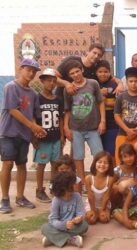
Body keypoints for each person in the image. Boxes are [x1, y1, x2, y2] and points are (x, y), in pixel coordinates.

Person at [0, 58, 46, 214]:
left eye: (34, 71)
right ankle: (5, 199)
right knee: (7, 164)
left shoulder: (33, 94)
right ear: (21, 69)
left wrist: (34, 134)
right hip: (8, 133)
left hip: (24, 135)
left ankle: (20, 197)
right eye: (28, 70)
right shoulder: (10, 87)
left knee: (22, 165)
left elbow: (33, 115)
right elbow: (13, 111)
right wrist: (33, 126)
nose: (31, 73)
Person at [63, 60, 105, 189]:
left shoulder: (93, 84)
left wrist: (103, 121)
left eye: (77, 71)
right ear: (69, 76)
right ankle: (82, 182)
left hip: (93, 128)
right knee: (78, 156)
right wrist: (66, 127)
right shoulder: (68, 89)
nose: (75, 75)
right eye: (72, 73)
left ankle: (97, 179)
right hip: (76, 128)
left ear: (82, 70)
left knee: (99, 154)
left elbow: (100, 102)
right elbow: (68, 110)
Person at [34, 68, 64, 203]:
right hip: (42, 138)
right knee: (41, 164)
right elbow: (33, 118)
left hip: (56, 137)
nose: (51, 84)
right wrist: (34, 136)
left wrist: (62, 136)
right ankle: (39, 190)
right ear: (42, 81)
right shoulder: (37, 98)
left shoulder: (58, 100)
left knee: (55, 164)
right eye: (48, 81)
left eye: (53, 81)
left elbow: (61, 119)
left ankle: (53, 187)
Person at [114, 67, 137, 164]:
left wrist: (136, 130)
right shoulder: (121, 97)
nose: (133, 84)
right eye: (131, 81)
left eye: (136, 81)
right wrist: (128, 130)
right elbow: (117, 116)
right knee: (121, 161)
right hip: (123, 134)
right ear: (126, 82)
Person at [55, 43, 123, 98]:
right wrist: (66, 84)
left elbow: (113, 79)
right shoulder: (71, 60)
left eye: (99, 55)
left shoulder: (97, 68)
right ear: (88, 52)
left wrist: (120, 85)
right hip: (61, 98)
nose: (96, 56)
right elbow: (53, 77)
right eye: (94, 53)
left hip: (79, 105)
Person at [41, 172, 88, 248]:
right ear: (64, 188)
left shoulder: (77, 196)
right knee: (44, 228)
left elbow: (80, 212)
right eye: (72, 184)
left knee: (84, 225)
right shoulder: (56, 200)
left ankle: (53, 238)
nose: (75, 185)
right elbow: (53, 219)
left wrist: (79, 218)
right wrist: (63, 225)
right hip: (59, 226)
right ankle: (71, 239)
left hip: (73, 226)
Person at [95, 60, 119, 158]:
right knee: (99, 151)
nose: (103, 74)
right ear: (96, 73)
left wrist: (105, 102)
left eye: (105, 71)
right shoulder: (93, 84)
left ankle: (112, 172)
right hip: (96, 122)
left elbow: (119, 104)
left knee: (111, 150)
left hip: (113, 123)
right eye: (100, 72)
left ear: (110, 72)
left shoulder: (114, 84)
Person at [85, 151, 114, 225]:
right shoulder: (88, 178)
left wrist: (102, 210)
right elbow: (90, 196)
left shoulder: (110, 179)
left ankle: (101, 213)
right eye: (99, 162)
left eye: (106, 163)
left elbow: (106, 196)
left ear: (109, 165)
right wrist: (93, 210)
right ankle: (95, 213)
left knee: (104, 219)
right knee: (91, 220)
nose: (102, 165)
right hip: (91, 204)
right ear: (95, 163)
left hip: (104, 205)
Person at [111, 143, 137, 208]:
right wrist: (119, 182)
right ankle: (118, 207)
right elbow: (110, 185)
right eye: (125, 156)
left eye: (130, 155)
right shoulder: (117, 170)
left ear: (134, 155)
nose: (128, 159)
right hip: (121, 198)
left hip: (135, 196)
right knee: (115, 188)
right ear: (121, 158)